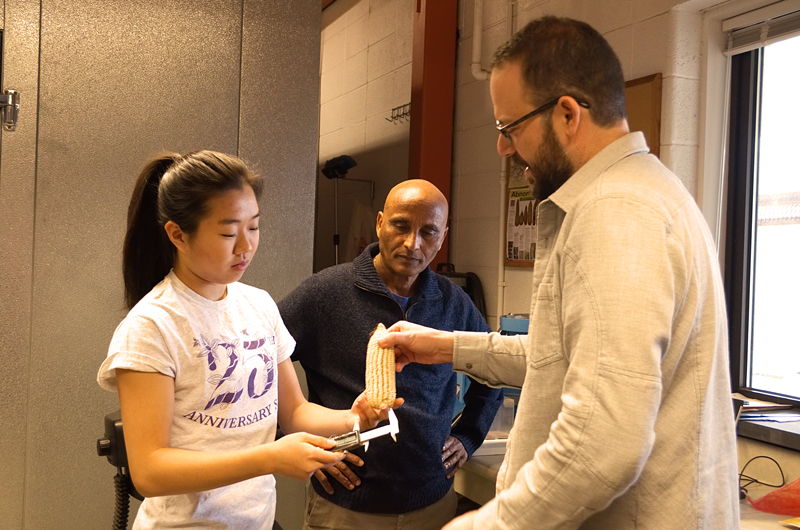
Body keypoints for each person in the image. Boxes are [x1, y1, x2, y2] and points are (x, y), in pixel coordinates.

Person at [379, 17, 740, 530]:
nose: (504, 148)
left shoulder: (617, 210)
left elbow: (602, 442)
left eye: (510, 128)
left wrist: (482, 526)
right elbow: (562, 356)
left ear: (567, 113)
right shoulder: (647, 192)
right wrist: (445, 346)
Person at [97, 151, 394, 530]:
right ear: (177, 234)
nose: (245, 246)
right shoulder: (153, 325)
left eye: (253, 227)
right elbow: (150, 470)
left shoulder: (258, 305)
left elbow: (295, 413)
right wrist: (268, 458)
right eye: (227, 232)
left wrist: (354, 417)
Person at [278, 179, 503, 530]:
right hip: (346, 509)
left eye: (429, 232)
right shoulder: (323, 293)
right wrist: (293, 444)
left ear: (442, 237)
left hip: (432, 504)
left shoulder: (453, 302)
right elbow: (256, 368)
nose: (413, 244)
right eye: (401, 225)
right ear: (380, 222)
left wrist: (469, 435)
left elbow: (495, 370)